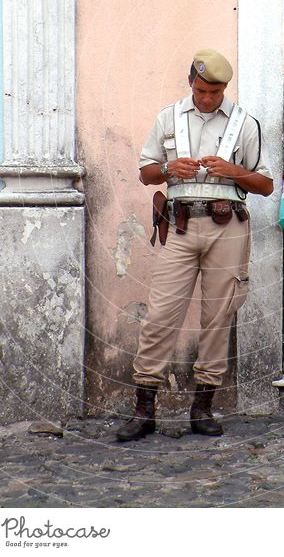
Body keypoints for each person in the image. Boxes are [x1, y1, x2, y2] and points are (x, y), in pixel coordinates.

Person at [117, 49, 273, 442]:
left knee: (218, 318)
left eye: (216, 91)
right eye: (202, 90)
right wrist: (170, 168)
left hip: (228, 226)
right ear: (190, 83)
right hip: (181, 225)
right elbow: (145, 174)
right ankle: (144, 408)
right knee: (160, 316)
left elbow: (267, 184)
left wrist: (235, 172)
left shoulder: (245, 123)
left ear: (225, 88)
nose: (207, 98)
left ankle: (203, 407)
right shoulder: (168, 117)